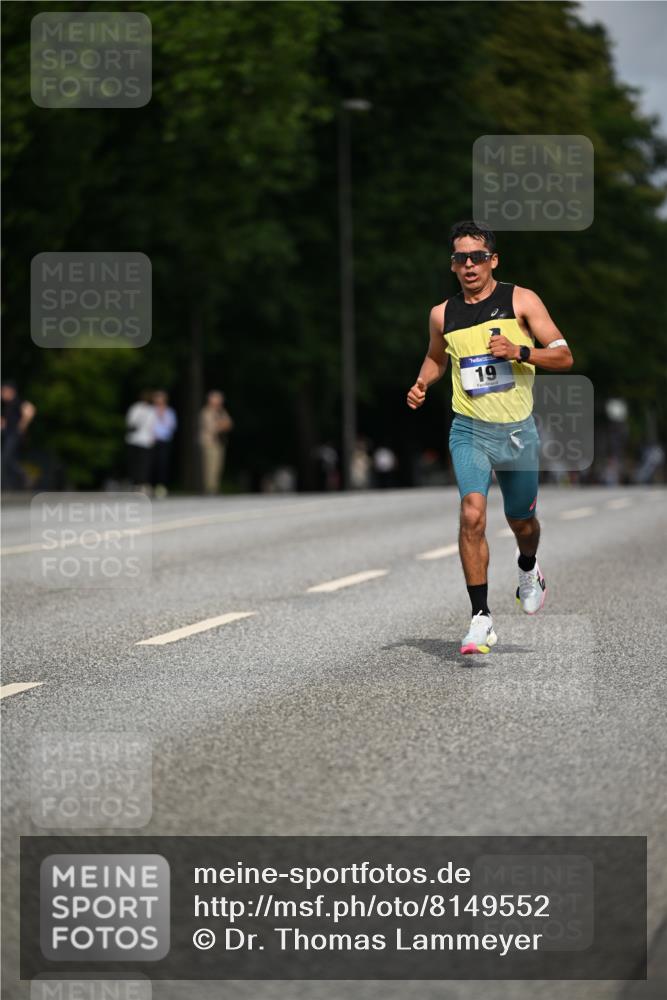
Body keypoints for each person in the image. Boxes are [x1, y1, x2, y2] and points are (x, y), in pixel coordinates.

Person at [407, 221, 573, 654]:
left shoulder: (522, 300)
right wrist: (423, 382)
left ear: (493, 260)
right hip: (469, 430)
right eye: (461, 258)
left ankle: (528, 566)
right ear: (452, 265)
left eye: (477, 257)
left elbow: (563, 355)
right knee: (472, 515)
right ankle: (480, 617)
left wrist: (520, 351)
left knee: (522, 521)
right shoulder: (442, 314)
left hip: (517, 432)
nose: (469, 265)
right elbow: (435, 356)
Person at [1, 380, 36, 490]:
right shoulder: (8, 406)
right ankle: (14, 483)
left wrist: (22, 426)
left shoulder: (17, 402)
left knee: (6, 458)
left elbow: (30, 410)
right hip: (8, 434)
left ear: (10, 391)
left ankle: (25, 476)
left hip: (14, 435)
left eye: (3, 392)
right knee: (7, 459)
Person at [199, 390, 233, 495]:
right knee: (210, 466)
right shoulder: (206, 412)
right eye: (217, 399)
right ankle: (210, 488)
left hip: (220, 442)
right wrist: (222, 424)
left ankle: (215, 487)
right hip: (210, 442)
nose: (219, 401)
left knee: (218, 466)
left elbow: (230, 423)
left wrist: (222, 424)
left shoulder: (222, 411)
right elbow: (212, 428)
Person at [125, 390, 156, 492]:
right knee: (141, 464)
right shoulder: (149, 410)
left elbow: (129, 422)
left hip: (136, 439)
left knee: (138, 464)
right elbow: (152, 426)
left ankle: (138, 483)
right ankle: (139, 484)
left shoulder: (135, 408)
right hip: (141, 440)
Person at [151, 390, 177, 497]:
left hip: (164, 440)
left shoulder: (169, 412)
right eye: (157, 398)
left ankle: (162, 486)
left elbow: (172, 426)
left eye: (161, 398)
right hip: (151, 440)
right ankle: (150, 485)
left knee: (163, 464)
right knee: (152, 464)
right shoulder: (150, 411)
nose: (159, 401)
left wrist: (162, 416)